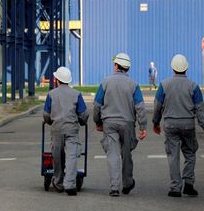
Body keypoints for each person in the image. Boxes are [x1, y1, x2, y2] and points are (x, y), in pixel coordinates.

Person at [152, 54, 204, 198]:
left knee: (173, 156)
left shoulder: (164, 85)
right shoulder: (193, 86)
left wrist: (156, 122)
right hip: (188, 125)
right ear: (186, 68)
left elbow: (157, 106)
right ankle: (189, 184)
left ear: (172, 68)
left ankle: (175, 188)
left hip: (170, 124)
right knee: (190, 153)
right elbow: (200, 108)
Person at [93, 52, 148, 197]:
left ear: (116, 65)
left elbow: (97, 104)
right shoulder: (133, 85)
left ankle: (114, 187)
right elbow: (140, 107)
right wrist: (143, 127)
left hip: (109, 123)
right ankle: (127, 183)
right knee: (126, 154)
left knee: (112, 154)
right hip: (127, 123)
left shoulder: (105, 82)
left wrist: (98, 122)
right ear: (127, 68)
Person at [43, 67, 89, 196]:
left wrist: (50, 121)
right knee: (71, 156)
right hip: (71, 129)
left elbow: (46, 114)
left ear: (57, 79)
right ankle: (70, 184)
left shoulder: (51, 94)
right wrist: (81, 121)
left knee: (57, 156)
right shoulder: (76, 94)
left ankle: (58, 182)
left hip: (56, 129)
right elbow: (84, 114)